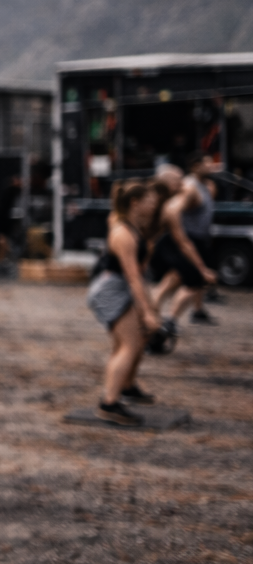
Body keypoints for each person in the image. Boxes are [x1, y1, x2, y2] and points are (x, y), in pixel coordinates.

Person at [85, 180, 162, 426]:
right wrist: (146, 312)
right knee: (129, 345)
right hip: (110, 290)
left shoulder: (133, 228)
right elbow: (132, 276)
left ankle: (122, 390)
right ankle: (109, 403)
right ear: (134, 203)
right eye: (149, 200)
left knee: (133, 343)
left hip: (117, 287)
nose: (155, 203)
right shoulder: (123, 233)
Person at [149, 153, 220, 326]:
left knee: (174, 281)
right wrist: (202, 269)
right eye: (177, 180)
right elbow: (182, 241)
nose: (181, 183)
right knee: (193, 280)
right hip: (179, 242)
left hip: (185, 241)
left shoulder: (207, 186)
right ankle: (166, 321)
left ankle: (158, 320)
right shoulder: (184, 194)